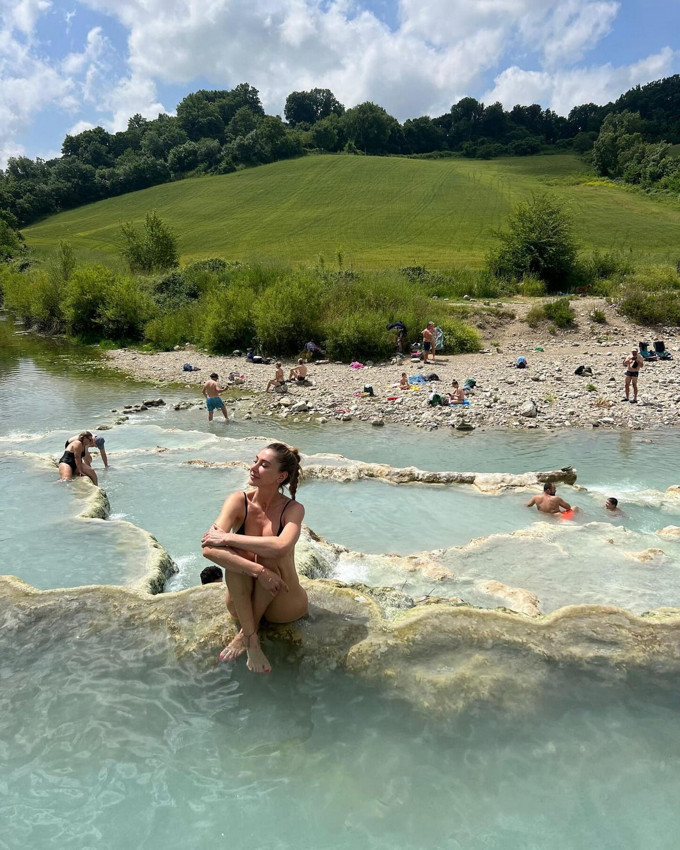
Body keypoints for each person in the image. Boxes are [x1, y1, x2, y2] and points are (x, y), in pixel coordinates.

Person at [201, 443, 308, 674]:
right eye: (255, 461)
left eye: (264, 465)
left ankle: (246, 633)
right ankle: (251, 638)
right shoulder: (238, 501)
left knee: (266, 554)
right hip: (243, 604)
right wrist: (259, 571)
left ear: (281, 476)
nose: (253, 467)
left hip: (283, 606)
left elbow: (281, 546)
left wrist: (228, 538)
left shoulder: (293, 509)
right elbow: (208, 548)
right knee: (237, 560)